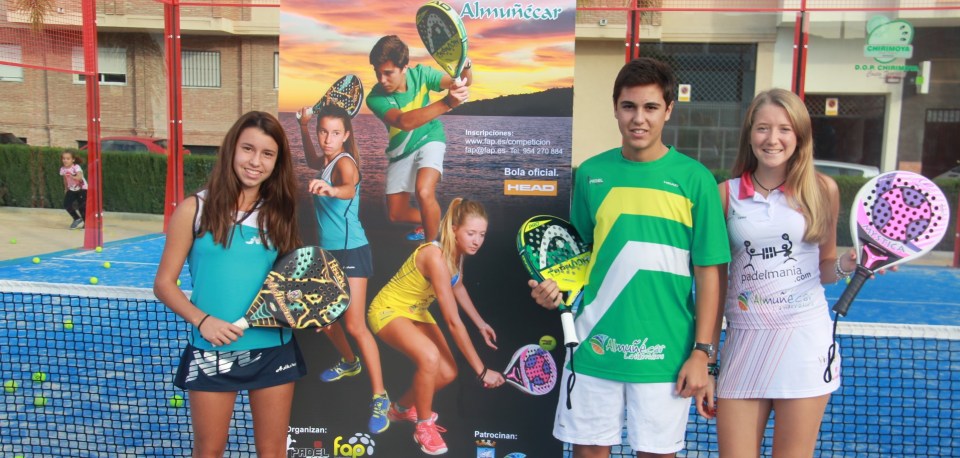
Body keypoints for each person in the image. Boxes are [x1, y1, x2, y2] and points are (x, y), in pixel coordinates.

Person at [527, 57, 731, 458]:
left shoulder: (696, 180)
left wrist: (703, 353)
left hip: (665, 355)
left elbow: (711, 276)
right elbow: (578, 261)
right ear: (616, 107)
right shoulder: (590, 174)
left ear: (669, 110)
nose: (639, 119)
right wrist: (554, 290)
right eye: (629, 106)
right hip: (592, 345)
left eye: (651, 107)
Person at [713, 88, 858, 457]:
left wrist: (847, 265)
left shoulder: (822, 190)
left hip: (804, 343)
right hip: (744, 342)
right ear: (750, 134)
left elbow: (825, 268)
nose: (772, 139)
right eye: (762, 128)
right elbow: (714, 278)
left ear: (800, 136)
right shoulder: (724, 195)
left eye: (784, 129)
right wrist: (708, 356)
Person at [154, 111, 304, 457]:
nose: (255, 162)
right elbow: (163, 284)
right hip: (212, 353)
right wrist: (203, 321)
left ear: (276, 162)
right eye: (248, 149)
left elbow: (289, 283)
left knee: (273, 452)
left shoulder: (279, 213)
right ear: (231, 150)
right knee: (209, 451)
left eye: (268, 154)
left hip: (272, 351)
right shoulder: (193, 209)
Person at [368, 197, 505, 455]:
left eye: (482, 234)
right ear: (454, 229)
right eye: (471, 233)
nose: (477, 240)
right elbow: (453, 322)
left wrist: (480, 323)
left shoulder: (457, 253)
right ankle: (423, 425)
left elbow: (458, 285)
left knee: (447, 373)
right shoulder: (436, 256)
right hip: (388, 309)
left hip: (416, 312)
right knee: (430, 357)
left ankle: (399, 410)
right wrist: (482, 370)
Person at [297, 104, 391, 435]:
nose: (327, 138)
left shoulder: (346, 163)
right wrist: (304, 126)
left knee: (354, 324)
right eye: (323, 131)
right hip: (329, 253)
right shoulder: (325, 158)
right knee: (323, 320)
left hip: (352, 250)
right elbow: (311, 159)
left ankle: (380, 396)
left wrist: (332, 191)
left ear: (346, 135)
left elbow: (348, 185)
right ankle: (350, 363)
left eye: (335, 132)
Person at [366, 35, 473, 243]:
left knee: (424, 191)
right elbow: (403, 121)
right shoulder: (375, 97)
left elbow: (461, 82)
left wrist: (466, 65)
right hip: (401, 151)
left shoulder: (422, 74)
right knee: (395, 214)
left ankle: (433, 247)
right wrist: (448, 103)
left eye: (388, 73)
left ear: (404, 67)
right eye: (377, 73)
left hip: (430, 138)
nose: (381, 80)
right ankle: (438, 222)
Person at [59, 151, 87, 229]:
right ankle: (77, 218)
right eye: (64, 158)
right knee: (66, 204)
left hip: (82, 188)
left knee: (81, 206)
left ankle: (86, 224)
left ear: (73, 160)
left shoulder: (76, 167)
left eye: (68, 159)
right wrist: (66, 188)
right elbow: (65, 179)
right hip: (71, 188)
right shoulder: (63, 169)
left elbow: (79, 177)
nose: (65, 160)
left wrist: (72, 176)